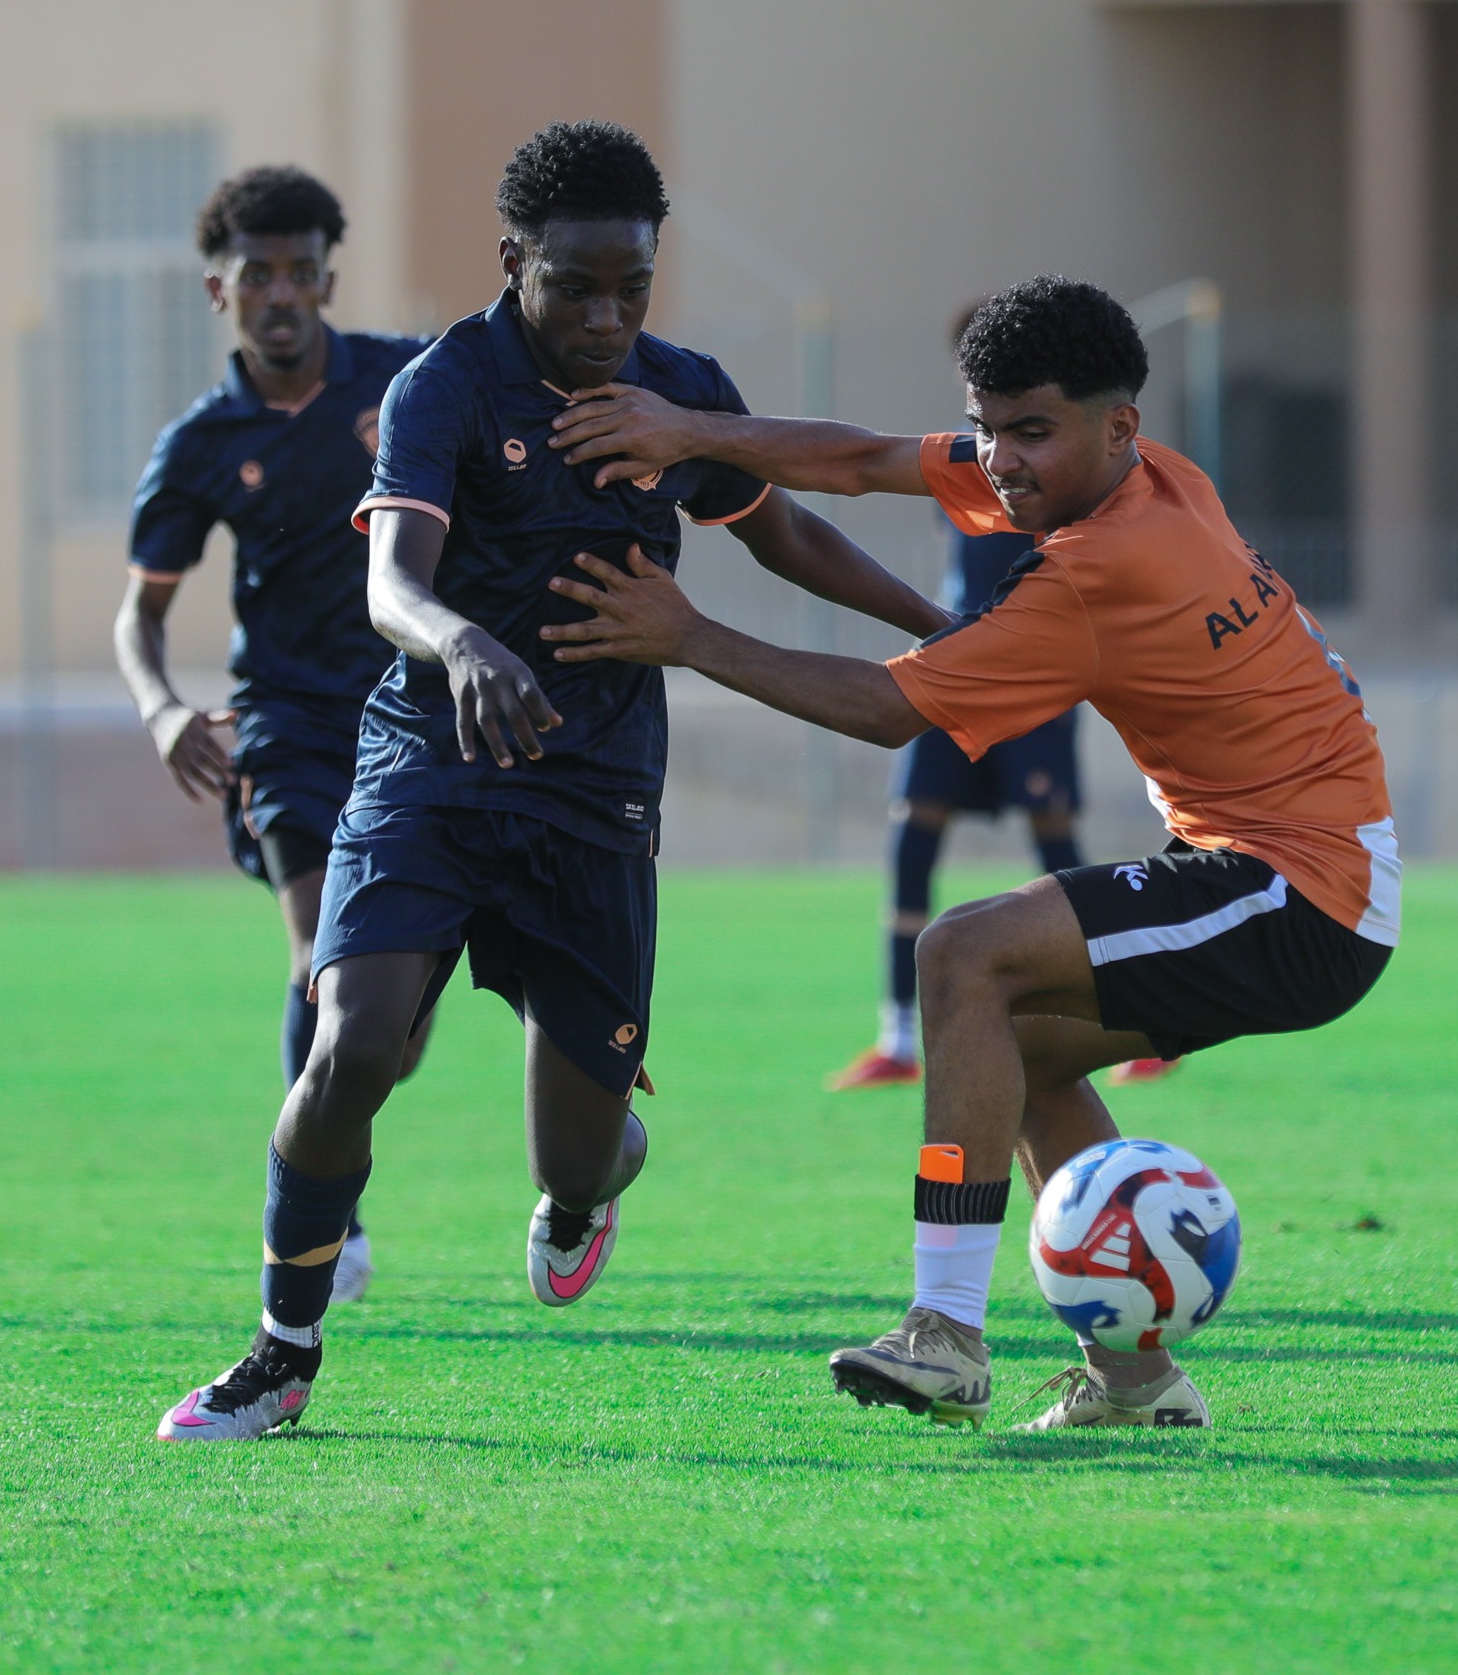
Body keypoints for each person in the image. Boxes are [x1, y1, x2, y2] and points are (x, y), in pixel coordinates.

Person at [155, 120, 950, 1443]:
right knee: (354, 1039)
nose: (604, 316)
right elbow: (392, 583)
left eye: (631, 287)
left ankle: (585, 1192)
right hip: (430, 768)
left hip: (594, 796)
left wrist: (939, 624)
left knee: (574, 1154)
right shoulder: (446, 385)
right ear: (512, 260)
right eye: (574, 285)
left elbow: (788, 535)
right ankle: (281, 1352)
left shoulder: (677, 394)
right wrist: (463, 642)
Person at [537, 274, 1398, 1432]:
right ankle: (1136, 1384)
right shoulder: (1158, 474)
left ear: (1117, 426)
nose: (1000, 459)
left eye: (1029, 431)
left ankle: (943, 1333)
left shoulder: (1100, 566)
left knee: (962, 950)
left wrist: (687, 635)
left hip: (1302, 889)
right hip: (1294, 869)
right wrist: (690, 429)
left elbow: (885, 710)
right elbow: (862, 459)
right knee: (1008, 1045)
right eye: (984, 426)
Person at [116, 165, 431, 1307]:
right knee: (322, 957)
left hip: (414, 717)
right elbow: (140, 614)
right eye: (259, 275)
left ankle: (346, 1135)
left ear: (329, 281)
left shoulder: (407, 380)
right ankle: (327, 1220)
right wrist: (162, 708)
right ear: (221, 289)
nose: (282, 292)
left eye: (302, 271)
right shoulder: (202, 443)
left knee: (395, 1031)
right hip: (286, 726)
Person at [831, 508, 1083, 1091]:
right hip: (953, 658)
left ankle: (1135, 1021)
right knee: (914, 827)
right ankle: (897, 1039)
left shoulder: (1052, 472)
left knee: (1054, 835)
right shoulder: (960, 469)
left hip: (1032, 669)